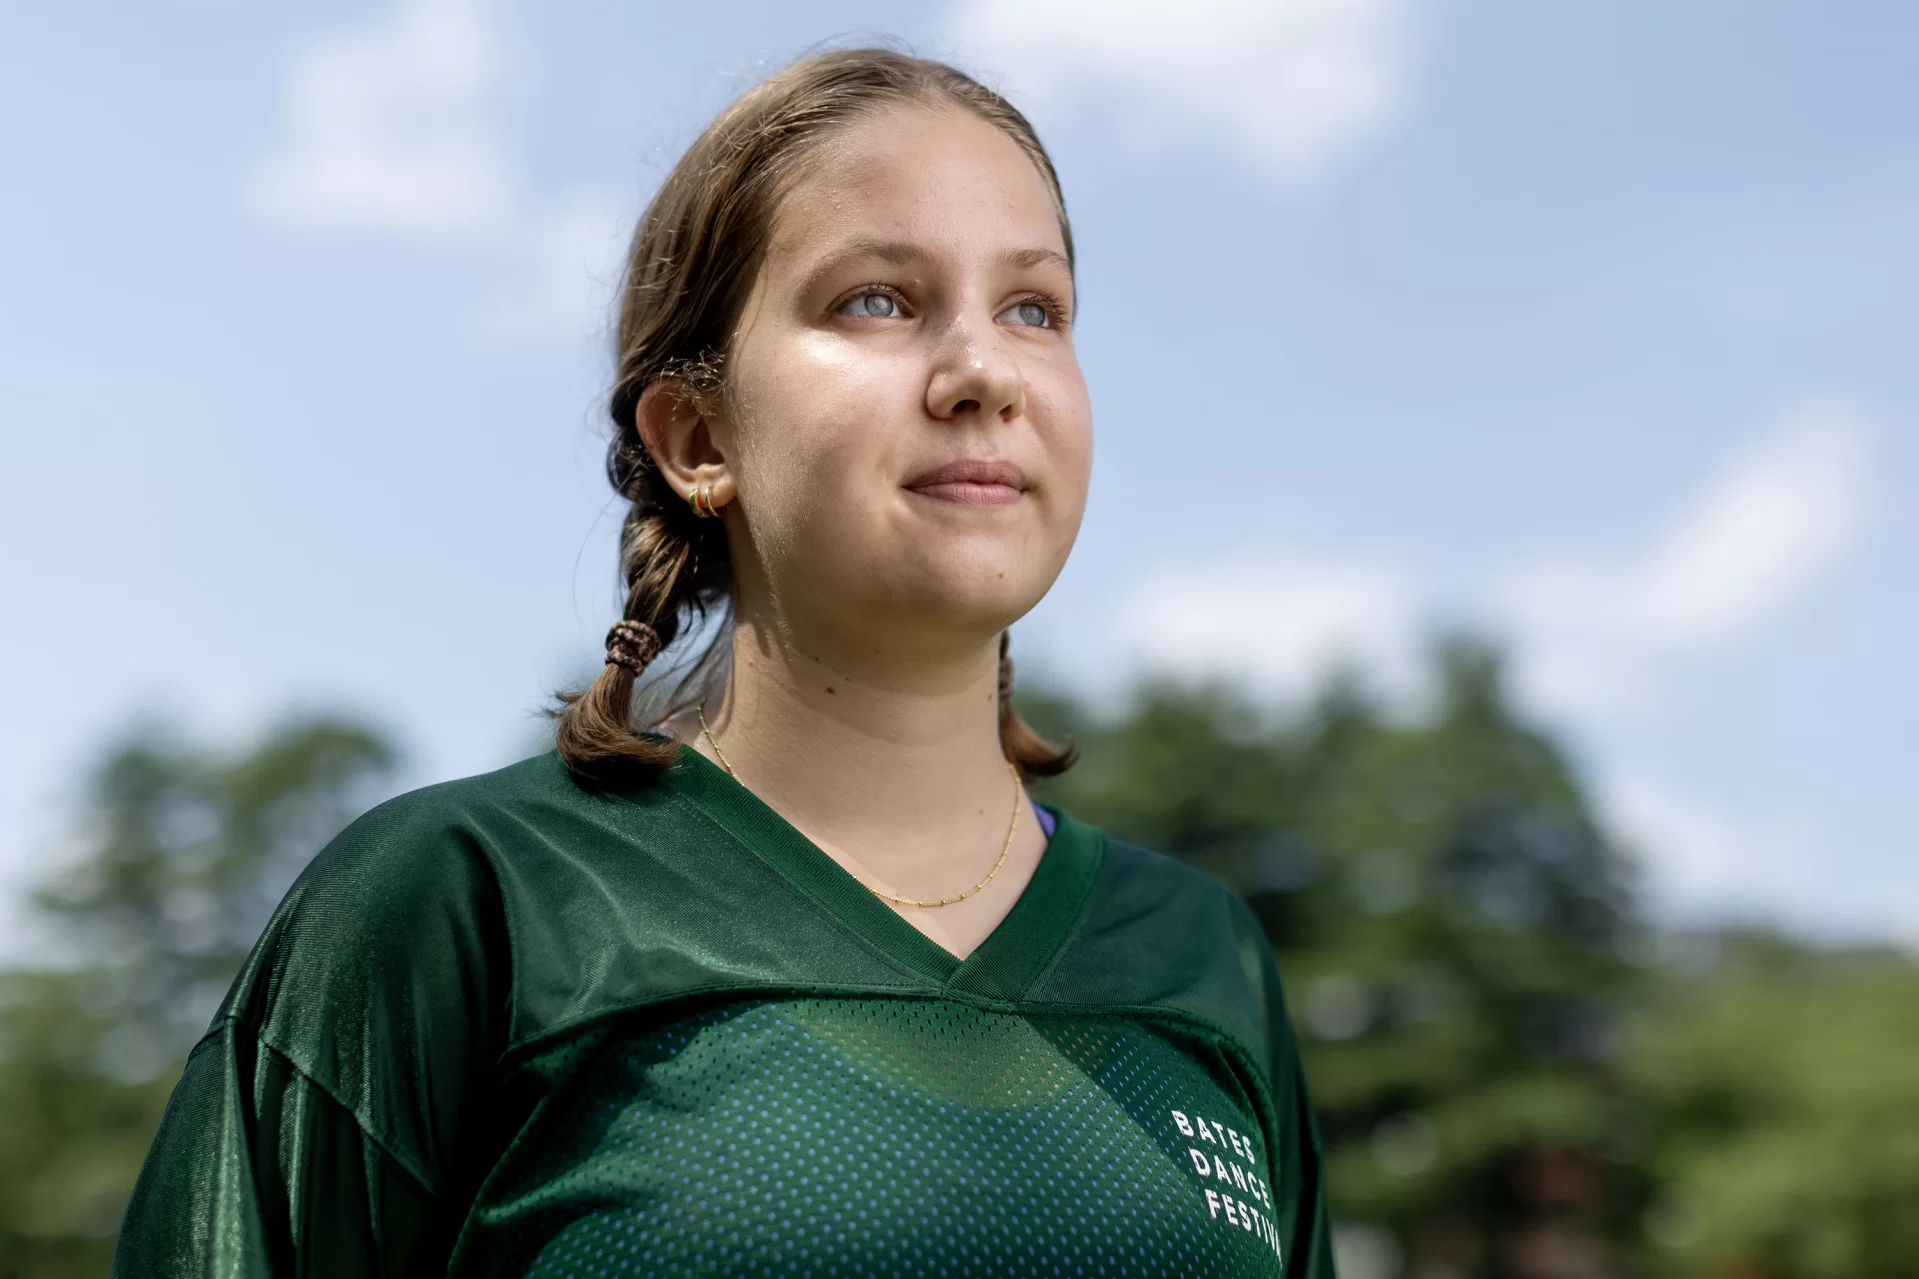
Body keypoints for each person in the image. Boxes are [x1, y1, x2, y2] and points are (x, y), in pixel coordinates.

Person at [113, 47, 1334, 1278]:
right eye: (877, 299)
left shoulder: (1202, 952)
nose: (984, 374)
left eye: (1034, 308)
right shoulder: (460, 904)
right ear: (697, 436)